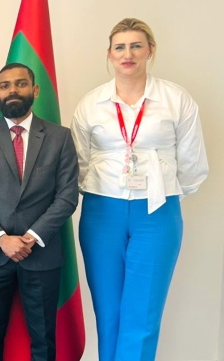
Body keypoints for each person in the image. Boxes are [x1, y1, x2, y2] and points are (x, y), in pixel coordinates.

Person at [71, 18, 208, 361]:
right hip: (102, 211)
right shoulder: (90, 103)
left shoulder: (176, 99)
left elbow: (192, 162)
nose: (127, 54)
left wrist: (166, 189)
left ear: (150, 50)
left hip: (157, 211)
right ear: (109, 54)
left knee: (143, 314)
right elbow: (78, 162)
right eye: (120, 47)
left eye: (136, 46)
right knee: (108, 312)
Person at [0, 63, 79, 361]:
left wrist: (31, 237)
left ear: (35, 90)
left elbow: (66, 196)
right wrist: (2, 238)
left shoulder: (59, 137)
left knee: (44, 342)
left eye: (20, 84)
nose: (12, 90)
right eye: (5, 86)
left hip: (41, 254)